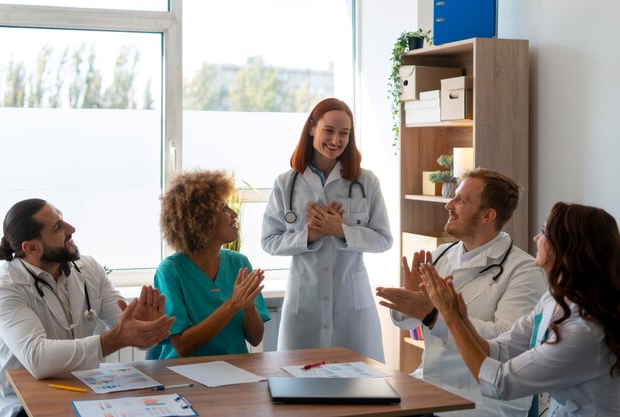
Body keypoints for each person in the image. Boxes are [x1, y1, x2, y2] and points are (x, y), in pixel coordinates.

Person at [420, 202, 620, 416]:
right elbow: (500, 350)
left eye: (544, 232)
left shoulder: (586, 331)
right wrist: (461, 320)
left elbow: (500, 384)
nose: (536, 238)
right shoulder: (554, 299)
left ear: (567, 247)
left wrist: (450, 317)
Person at [376, 168, 546, 417]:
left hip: (484, 399)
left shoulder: (524, 271)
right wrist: (409, 301)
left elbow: (505, 342)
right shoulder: (440, 255)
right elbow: (409, 323)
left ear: (488, 215)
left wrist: (435, 314)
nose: (449, 205)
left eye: (460, 200)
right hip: (431, 384)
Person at [0, 199, 174, 417]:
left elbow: (124, 326)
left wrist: (142, 327)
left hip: (85, 391)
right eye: (58, 227)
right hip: (25, 402)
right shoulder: (5, 287)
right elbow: (37, 358)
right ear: (31, 247)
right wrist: (114, 340)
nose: (71, 229)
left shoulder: (88, 268)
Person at [261, 97, 393, 362]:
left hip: (352, 308)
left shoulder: (366, 181)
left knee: (359, 389)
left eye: (344, 133)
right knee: (300, 386)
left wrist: (342, 230)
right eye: (328, 130)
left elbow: (383, 239)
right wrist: (309, 235)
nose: (336, 140)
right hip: (304, 306)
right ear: (312, 128)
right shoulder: (286, 183)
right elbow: (269, 241)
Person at [153, 170, 270, 359]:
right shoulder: (170, 271)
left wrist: (249, 308)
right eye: (223, 208)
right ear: (200, 218)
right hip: (184, 374)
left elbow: (255, 339)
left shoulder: (238, 262)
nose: (234, 213)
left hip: (235, 369)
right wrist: (232, 304)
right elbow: (183, 346)